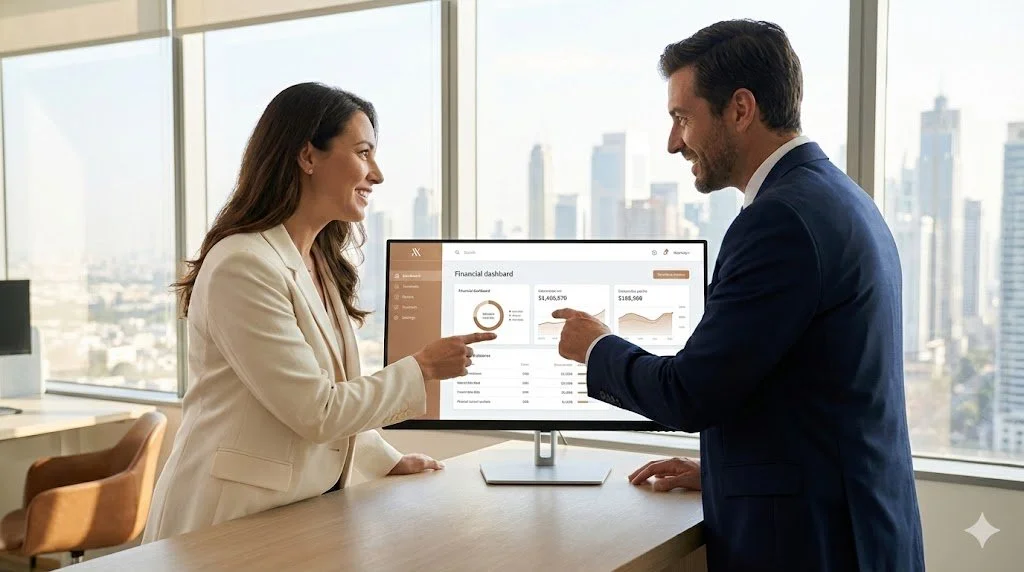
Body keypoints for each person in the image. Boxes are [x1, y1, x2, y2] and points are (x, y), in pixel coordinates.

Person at [554, 20, 924, 572]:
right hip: (860, 527)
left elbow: (690, 393)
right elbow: (812, 389)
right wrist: (722, 468)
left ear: (741, 109)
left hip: (816, 544)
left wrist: (597, 347)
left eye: (683, 118)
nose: (674, 142)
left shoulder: (779, 221)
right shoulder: (841, 198)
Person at [143, 82, 494, 542]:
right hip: (226, 519)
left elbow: (331, 395)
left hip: (290, 516)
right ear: (308, 157)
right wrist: (423, 368)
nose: (378, 174)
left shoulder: (319, 263)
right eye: (364, 152)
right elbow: (317, 410)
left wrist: (384, 460)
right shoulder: (243, 263)